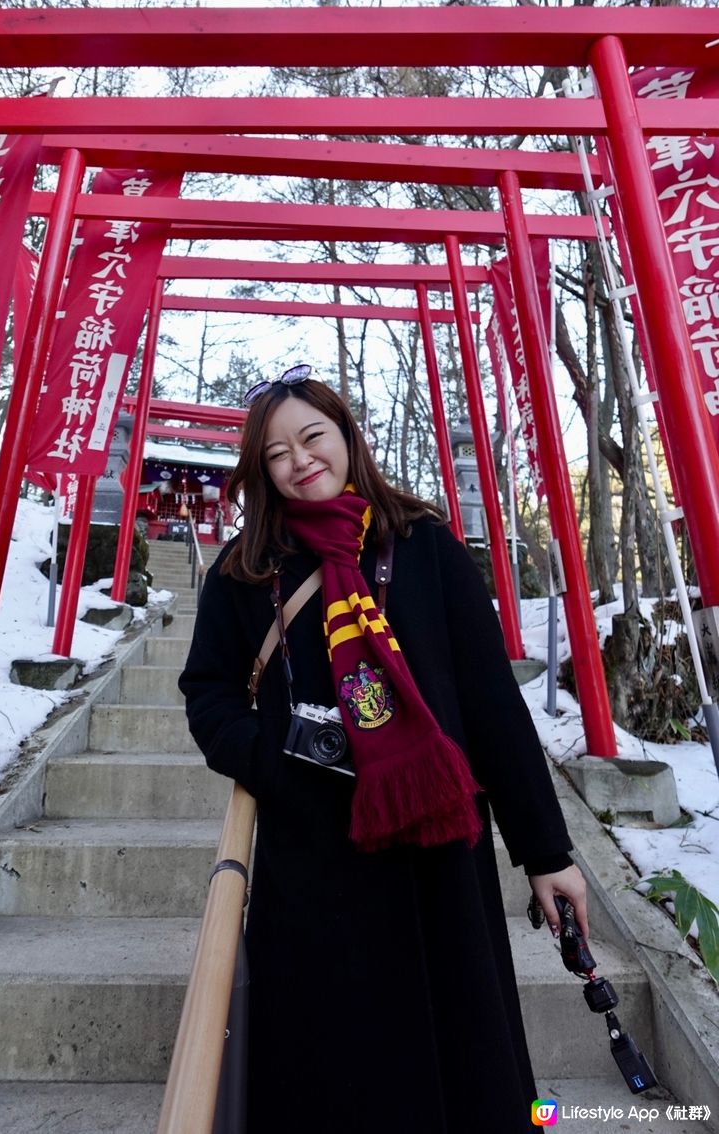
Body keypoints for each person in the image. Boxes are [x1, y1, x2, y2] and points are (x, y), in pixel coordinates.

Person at [179, 366, 588, 1134]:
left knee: (461, 1054)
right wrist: (276, 768)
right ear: (259, 469)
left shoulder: (424, 544)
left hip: (438, 849)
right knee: (334, 1065)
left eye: (313, 437)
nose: (300, 460)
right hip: (315, 857)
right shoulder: (246, 572)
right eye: (276, 453)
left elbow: (493, 708)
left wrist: (546, 851)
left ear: (345, 436)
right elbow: (209, 693)